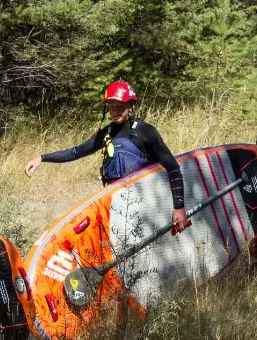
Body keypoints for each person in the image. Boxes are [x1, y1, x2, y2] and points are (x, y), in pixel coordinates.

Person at [25, 81, 190, 234]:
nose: (116, 111)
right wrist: (43, 157)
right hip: (115, 204)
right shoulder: (106, 133)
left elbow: (173, 168)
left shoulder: (145, 131)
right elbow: (76, 152)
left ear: (131, 106)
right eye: (112, 107)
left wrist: (179, 207)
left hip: (144, 204)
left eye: (120, 106)